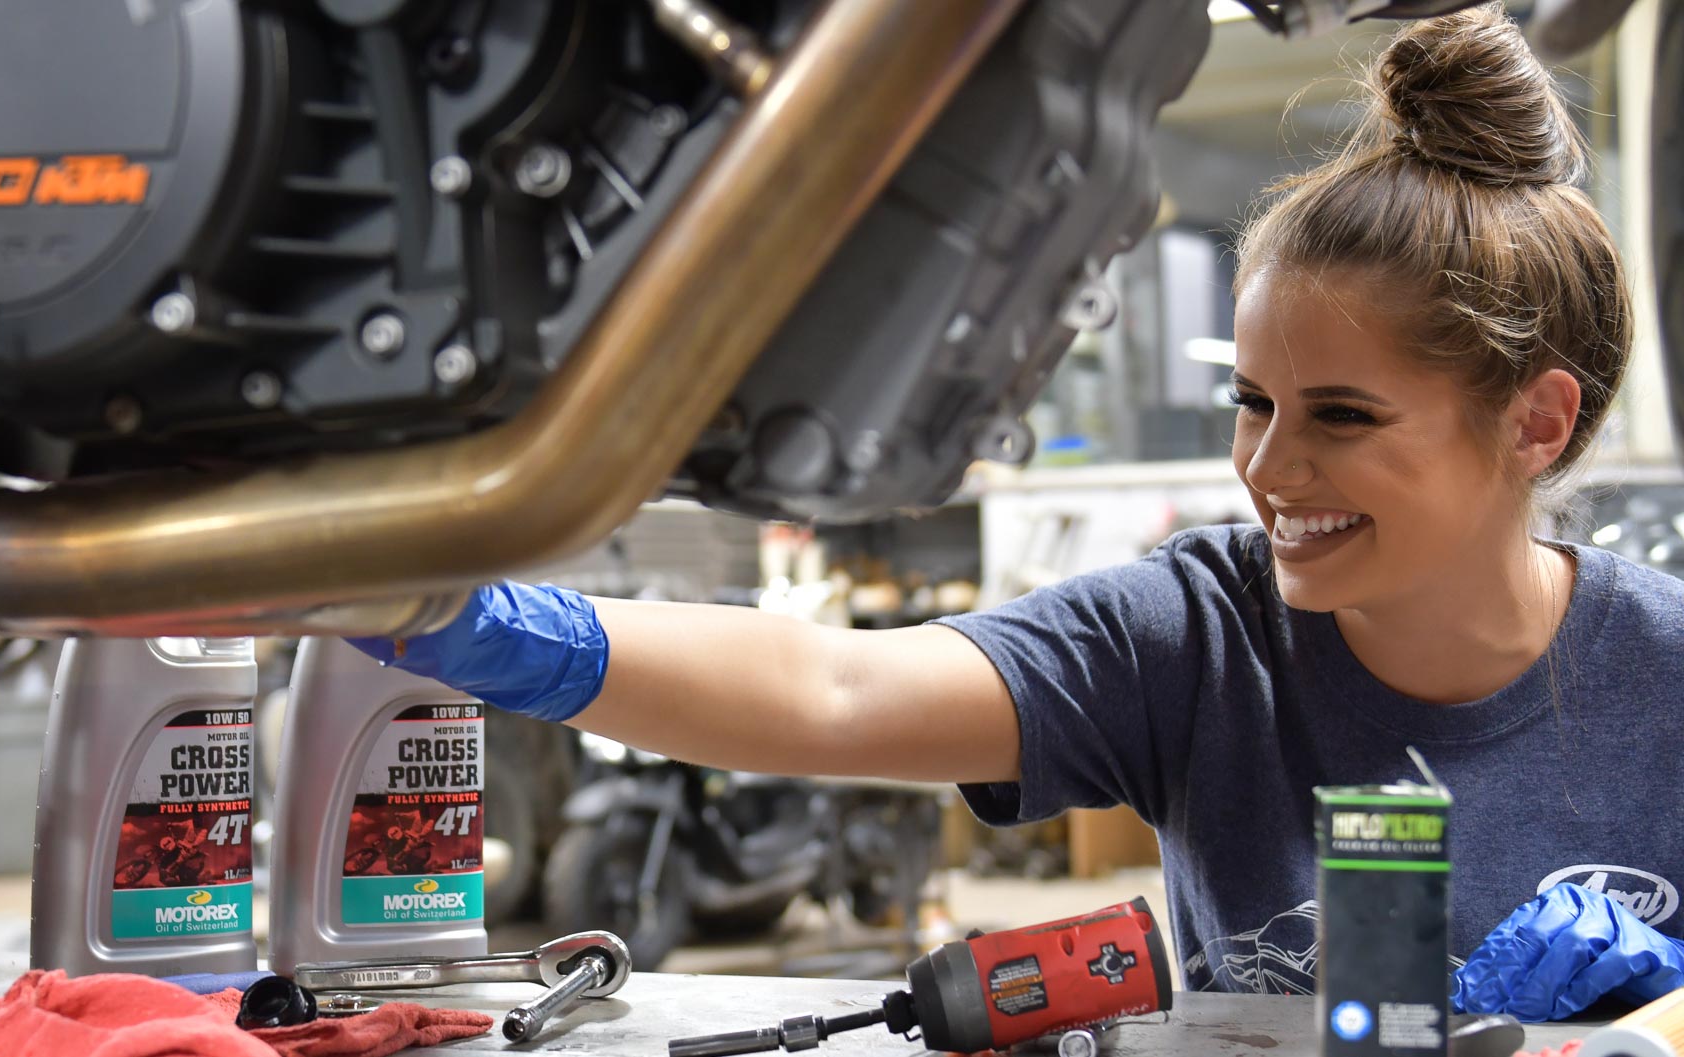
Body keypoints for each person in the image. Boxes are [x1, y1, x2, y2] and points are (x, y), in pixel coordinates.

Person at [352, 6, 1684, 1018]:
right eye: (1253, 402)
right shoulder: (1203, 631)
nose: (1270, 469)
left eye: (1342, 415)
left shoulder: (1668, 678)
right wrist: (476, 620)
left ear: (1536, 421)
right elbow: (832, 688)